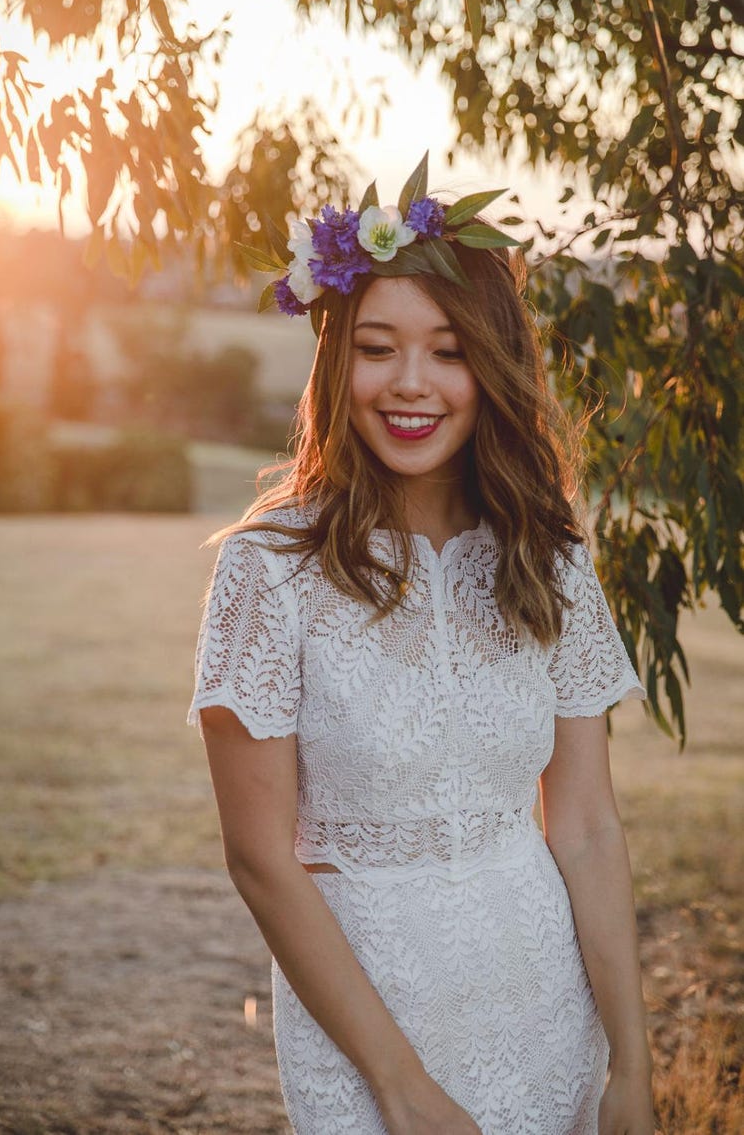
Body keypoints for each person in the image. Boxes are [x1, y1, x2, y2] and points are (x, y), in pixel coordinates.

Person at [187, 157, 656, 1134]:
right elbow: (259, 859)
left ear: (489, 368)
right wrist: (400, 1091)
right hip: (367, 1030)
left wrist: (627, 1068)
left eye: (447, 351)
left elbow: (584, 829)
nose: (410, 384)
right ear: (334, 362)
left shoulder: (547, 557)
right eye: (376, 348)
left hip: (539, 998)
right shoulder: (267, 569)